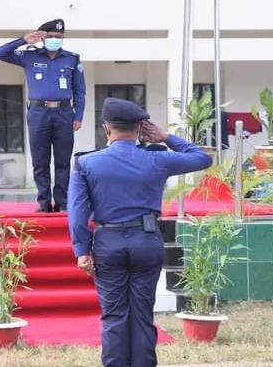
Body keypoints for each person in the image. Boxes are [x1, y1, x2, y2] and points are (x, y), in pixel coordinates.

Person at [68, 98, 213, 367]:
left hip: (107, 242)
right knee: (142, 312)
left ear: (106, 129)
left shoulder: (86, 163)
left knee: (114, 315)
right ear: (140, 129)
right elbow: (202, 158)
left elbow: (77, 212)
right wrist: (167, 136)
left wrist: (81, 251)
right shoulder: (157, 159)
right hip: (146, 241)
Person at [0, 19, 86, 212]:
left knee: (62, 160)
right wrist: (23, 40)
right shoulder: (29, 56)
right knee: (40, 160)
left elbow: (79, 90)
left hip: (64, 112)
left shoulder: (72, 59)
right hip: (38, 112)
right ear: (43, 38)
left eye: (58, 37)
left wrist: (79, 116)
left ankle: (62, 202)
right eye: (50, 36)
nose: (54, 39)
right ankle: (44, 202)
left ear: (63, 38)